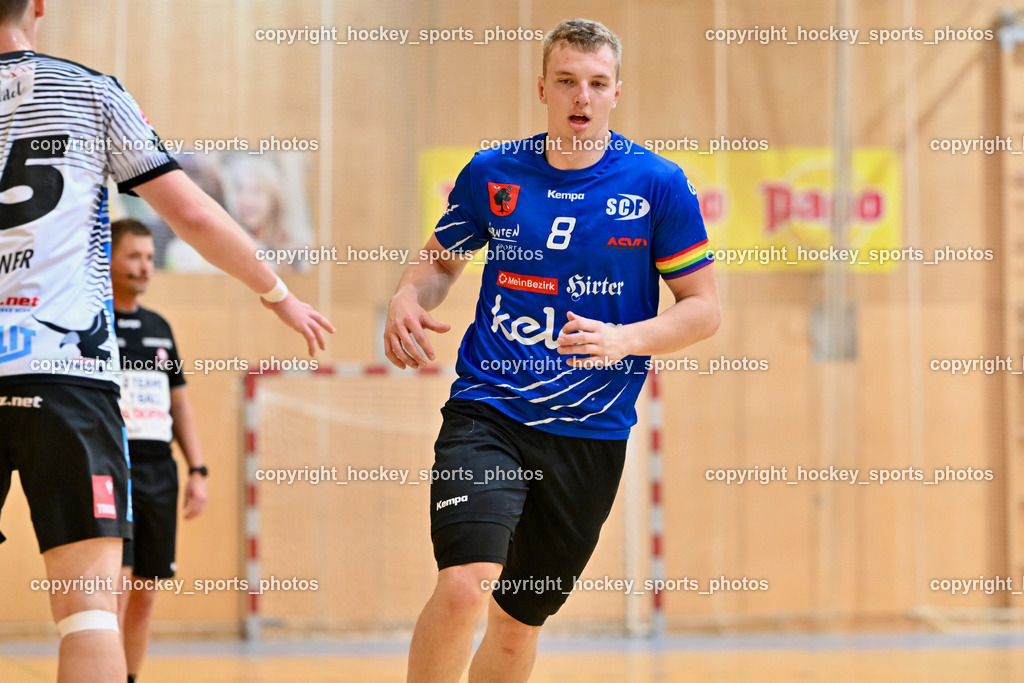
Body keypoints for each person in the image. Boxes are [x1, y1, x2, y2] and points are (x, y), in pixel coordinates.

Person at [0, 2, 334, 682]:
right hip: (67, 373)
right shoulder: (92, 91)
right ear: (38, 6)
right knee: (89, 613)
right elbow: (193, 213)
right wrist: (278, 292)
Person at [384, 18, 721, 682]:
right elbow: (439, 263)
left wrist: (625, 339)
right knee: (466, 583)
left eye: (597, 82)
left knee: (517, 626)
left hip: (590, 433)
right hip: (490, 409)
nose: (581, 96)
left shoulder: (657, 184)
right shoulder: (494, 171)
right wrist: (406, 295)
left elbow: (703, 309)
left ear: (617, 91)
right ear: (543, 88)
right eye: (567, 80)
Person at [108, 219, 206, 683]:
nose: (145, 266)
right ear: (108, 259)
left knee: (146, 591)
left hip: (159, 473)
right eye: (134, 256)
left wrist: (198, 469)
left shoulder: (159, 329)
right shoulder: (92, 326)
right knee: (117, 586)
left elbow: (179, 404)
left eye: (149, 257)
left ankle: (130, 676)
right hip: (110, 470)